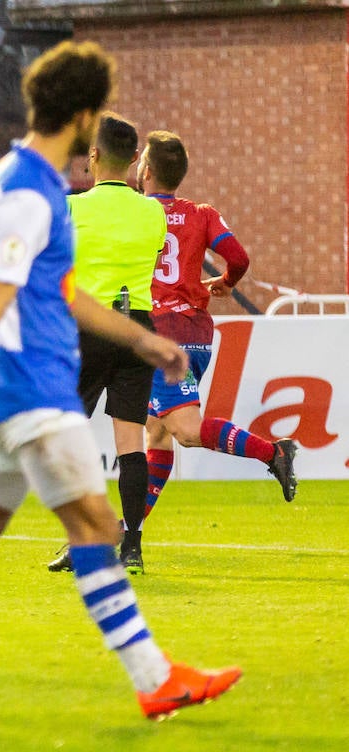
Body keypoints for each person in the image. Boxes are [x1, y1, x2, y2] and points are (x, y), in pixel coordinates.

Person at [0, 41, 241, 722]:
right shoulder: (27, 192)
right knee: (96, 523)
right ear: (80, 113)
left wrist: (143, 339)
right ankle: (156, 679)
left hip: (12, 385)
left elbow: (63, 291)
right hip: (27, 385)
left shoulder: (29, 183)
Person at [138, 130, 297, 517]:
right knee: (157, 431)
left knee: (186, 431)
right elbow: (239, 258)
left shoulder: (135, 214)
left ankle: (274, 452)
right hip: (196, 333)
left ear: (146, 171)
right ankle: (127, 533)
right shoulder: (202, 214)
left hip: (161, 334)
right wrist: (224, 284)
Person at [45, 113, 167, 574]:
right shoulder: (154, 212)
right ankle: (131, 546)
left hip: (88, 328)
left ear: (92, 156)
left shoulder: (72, 208)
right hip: (137, 328)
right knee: (130, 442)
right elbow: (151, 257)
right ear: (136, 160)